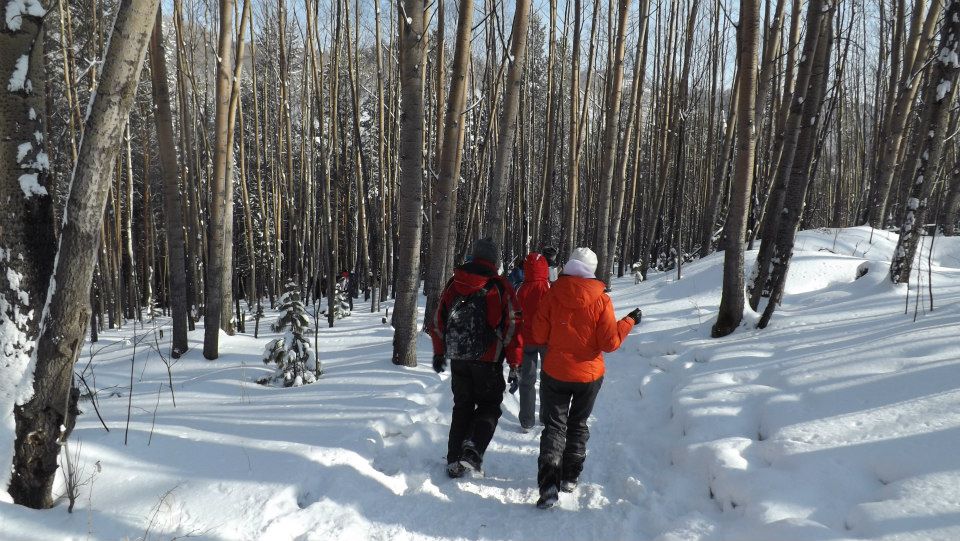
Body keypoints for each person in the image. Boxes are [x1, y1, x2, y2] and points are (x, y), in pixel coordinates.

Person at [530, 247, 641, 508]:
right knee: (577, 423)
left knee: (554, 426)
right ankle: (569, 477)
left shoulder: (552, 293)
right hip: (588, 375)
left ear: (569, 265)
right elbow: (610, 342)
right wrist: (629, 322)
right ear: (591, 269)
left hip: (555, 371)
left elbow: (538, 335)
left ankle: (548, 483)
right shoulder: (601, 299)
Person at [428, 238, 523, 478]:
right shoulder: (500, 286)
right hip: (488, 359)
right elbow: (513, 327)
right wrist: (515, 362)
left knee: (462, 406)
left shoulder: (454, 283)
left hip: (459, 357)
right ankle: (473, 449)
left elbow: (438, 321)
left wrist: (439, 352)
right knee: (490, 405)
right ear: (494, 260)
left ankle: (453, 461)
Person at [515, 252, 551, 431]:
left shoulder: (521, 289)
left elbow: (515, 315)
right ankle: (545, 417)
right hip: (546, 341)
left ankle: (527, 420)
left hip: (526, 341)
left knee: (527, 381)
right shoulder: (548, 288)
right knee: (547, 379)